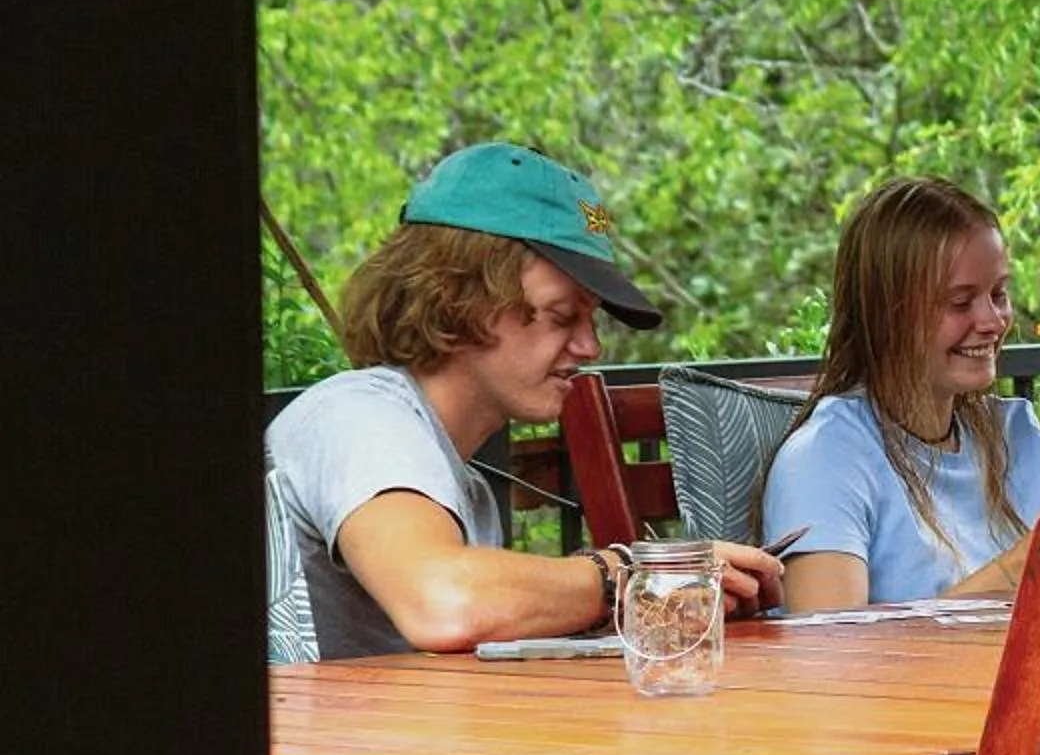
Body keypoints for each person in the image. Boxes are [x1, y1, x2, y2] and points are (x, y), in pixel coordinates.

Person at [266, 143, 782, 659]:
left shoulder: (459, 483)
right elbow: (445, 603)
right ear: (457, 300)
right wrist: (629, 574)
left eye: (591, 319)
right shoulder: (359, 415)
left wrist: (652, 599)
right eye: (561, 316)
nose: (591, 347)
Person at [758, 176, 1040, 608]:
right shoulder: (825, 459)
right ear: (886, 315)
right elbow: (828, 656)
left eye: (999, 294)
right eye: (960, 302)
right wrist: (1023, 566)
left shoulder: (1015, 433)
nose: (993, 321)